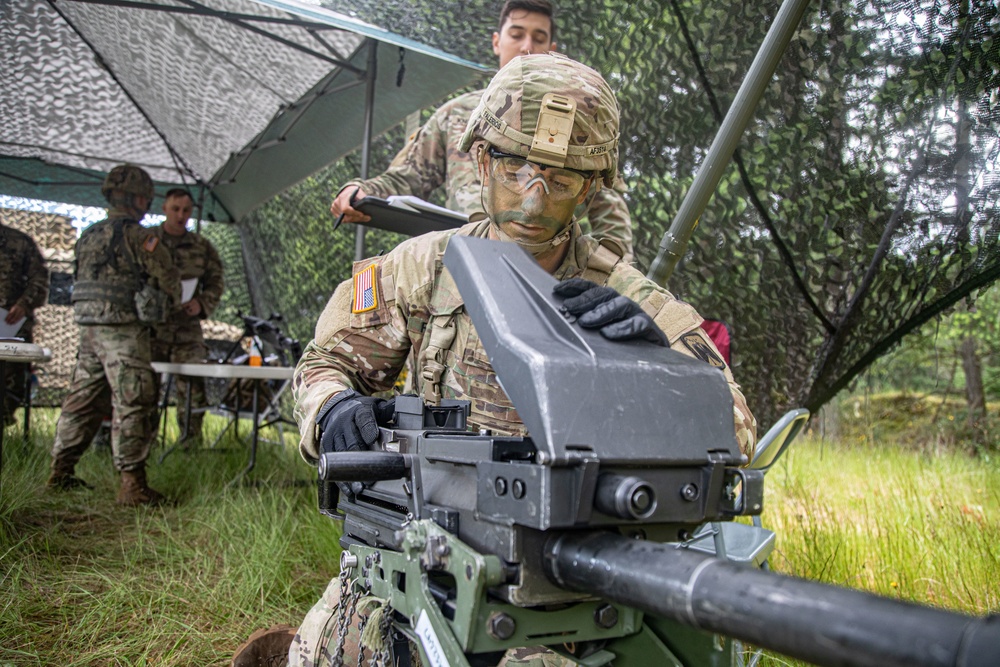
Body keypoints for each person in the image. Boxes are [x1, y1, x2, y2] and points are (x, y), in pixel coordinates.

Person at [233, 53, 756, 666]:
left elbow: (736, 431)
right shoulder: (422, 267)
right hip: (421, 552)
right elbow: (324, 362)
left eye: (560, 181)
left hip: (564, 594)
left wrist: (651, 372)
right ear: (481, 159)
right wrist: (334, 408)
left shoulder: (629, 301)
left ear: (591, 188)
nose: (533, 202)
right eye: (515, 169)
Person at [329, 0, 635, 259]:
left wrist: (608, 280)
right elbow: (407, 178)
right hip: (466, 263)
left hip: (546, 267)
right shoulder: (457, 115)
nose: (527, 47)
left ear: (551, 50)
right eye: (517, 34)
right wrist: (364, 191)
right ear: (496, 42)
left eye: (539, 38)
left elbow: (606, 206)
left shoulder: (576, 120)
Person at [48, 164, 181, 506]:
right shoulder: (139, 237)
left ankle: (59, 472)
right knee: (133, 400)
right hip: (123, 330)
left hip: (89, 330)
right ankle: (131, 485)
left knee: (82, 400)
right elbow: (169, 280)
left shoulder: (89, 234)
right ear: (139, 198)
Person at [150, 188, 225, 447]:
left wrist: (202, 303)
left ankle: (190, 445)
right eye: (175, 209)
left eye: (185, 210)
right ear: (164, 208)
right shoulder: (148, 240)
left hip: (187, 329)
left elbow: (216, 282)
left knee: (192, 385)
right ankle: (143, 443)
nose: (180, 215)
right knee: (144, 384)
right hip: (151, 329)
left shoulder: (201, 247)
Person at [0, 221, 50, 427]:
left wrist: (24, 304)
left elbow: (40, 280)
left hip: (10, 325)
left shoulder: (19, 242)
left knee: (12, 381)